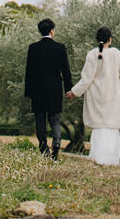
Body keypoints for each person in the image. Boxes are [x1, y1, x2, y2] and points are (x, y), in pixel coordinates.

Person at [67, 26, 120, 166]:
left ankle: (98, 157)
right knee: (112, 126)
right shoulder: (118, 54)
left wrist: (74, 92)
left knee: (100, 126)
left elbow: (86, 78)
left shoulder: (92, 54)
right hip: (114, 95)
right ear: (110, 39)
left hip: (96, 96)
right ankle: (112, 159)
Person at [24, 17, 73, 160]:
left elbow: (29, 72)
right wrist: (68, 89)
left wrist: (28, 92)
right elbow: (66, 71)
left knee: (40, 119)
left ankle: (43, 146)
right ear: (52, 31)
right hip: (55, 89)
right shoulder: (60, 47)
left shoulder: (33, 48)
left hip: (37, 90)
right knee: (55, 120)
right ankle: (56, 143)